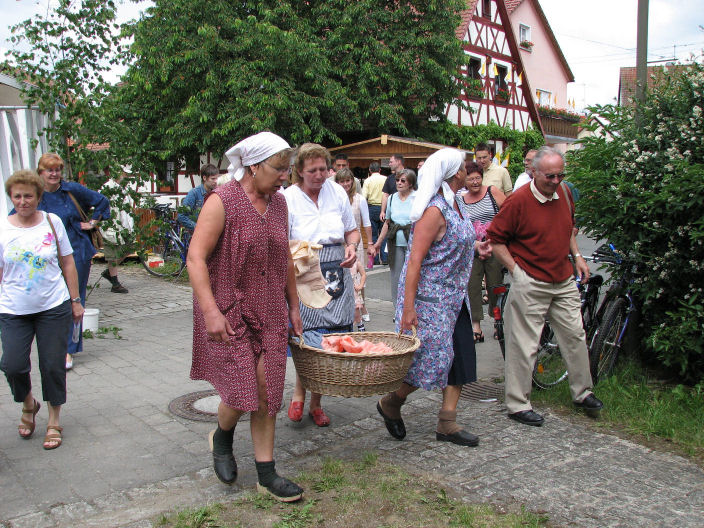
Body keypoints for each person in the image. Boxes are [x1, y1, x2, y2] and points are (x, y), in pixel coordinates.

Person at [188, 131, 304, 501]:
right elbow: (195, 259)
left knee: (268, 390)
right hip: (230, 308)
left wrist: (294, 305)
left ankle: (266, 474)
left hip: (269, 309)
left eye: (288, 169)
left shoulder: (280, 204)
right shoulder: (222, 201)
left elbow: (284, 256)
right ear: (254, 166)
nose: (285, 176)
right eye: (279, 168)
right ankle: (222, 436)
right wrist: (210, 312)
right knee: (242, 392)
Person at [376, 148, 490, 447]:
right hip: (429, 300)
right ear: (455, 174)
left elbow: (455, 241)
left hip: (454, 297)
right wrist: (408, 308)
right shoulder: (434, 211)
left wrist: (476, 247)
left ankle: (447, 422)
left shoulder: (456, 204)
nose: (469, 171)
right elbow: (414, 261)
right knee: (428, 361)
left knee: (461, 356)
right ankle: (392, 402)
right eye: (464, 168)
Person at [487, 146, 603, 427]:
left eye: (560, 175)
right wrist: (517, 272)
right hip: (531, 280)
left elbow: (567, 229)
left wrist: (577, 257)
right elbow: (495, 239)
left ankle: (582, 392)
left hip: (562, 279)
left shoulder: (563, 193)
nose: (555, 181)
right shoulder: (518, 201)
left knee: (575, 335)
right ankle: (517, 404)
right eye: (550, 176)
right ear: (534, 172)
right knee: (524, 344)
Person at [0, 170, 84, 450]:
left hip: (52, 306)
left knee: (52, 366)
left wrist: (75, 300)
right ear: (11, 197)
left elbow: (68, 262)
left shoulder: (52, 222)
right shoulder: (3, 227)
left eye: (29, 196)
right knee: (11, 365)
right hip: (12, 309)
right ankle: (28, 404)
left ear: (38, 197)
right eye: (18, 196)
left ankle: (53, 420)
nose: (23, 201)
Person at [284, 143, 359, 427]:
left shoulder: (337, 192)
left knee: (331, 340)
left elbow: (351, 231)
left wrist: (351, 247)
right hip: (304, 272)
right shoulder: (288, 198)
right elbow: (281, 241)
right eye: (312, 170)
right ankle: (299, 390)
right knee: (306, 336)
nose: (319, 175)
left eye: (323, 169)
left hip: (337, 269)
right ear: (299, 171)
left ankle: (316, 402)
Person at [36, 153, 110, 370]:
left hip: (76, 251)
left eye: (57, 169)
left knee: (74, 299)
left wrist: (92, 222)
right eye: (49, 170)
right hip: (47, 255)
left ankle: (68, 349)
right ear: (40, 172)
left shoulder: (71, 190)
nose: (54, 174)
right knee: (49, 300)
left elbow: (102, 201)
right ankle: (52, 344)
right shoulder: (35, 193)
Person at [457, 161, 506, 342]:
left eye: (478, 178)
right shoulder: (460, 199)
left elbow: (508, 211)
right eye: (471, 179)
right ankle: (476, 326)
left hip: (494, 246)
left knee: (495, 285)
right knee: (472, 286)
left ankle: (497, 323)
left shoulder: (492, 192)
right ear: (465, 181)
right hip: (472, 249)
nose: (475, 182)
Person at [368, 168, 416, 310]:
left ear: (411, 183)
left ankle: (412, 306)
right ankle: (398, 308)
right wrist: (378, 243)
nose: (399, 183)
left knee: (412, 275)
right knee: (396, 276)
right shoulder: (391, 198)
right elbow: (387, 223)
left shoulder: (417, 198)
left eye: (403, 181)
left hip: (413, 241)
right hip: (395, 241)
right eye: (397, 180)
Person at [335, 168, 372, 321]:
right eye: (342, 181)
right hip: (339, 242)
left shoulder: (359, 199)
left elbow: (367, 222)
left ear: (352, 181)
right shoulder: (334, 198)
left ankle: (362, 306)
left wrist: (370, 243)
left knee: (358, 275)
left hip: (355, 242)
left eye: (348, 180)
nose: (345, 184)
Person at [99, 172, 136, 294]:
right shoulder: (107, 188)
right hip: (111, 226)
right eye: (125, 175)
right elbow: (100, 207)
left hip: (124, 227)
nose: (127, 177)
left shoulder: (124, 189)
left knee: (130, 247)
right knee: (112, 254)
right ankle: (115, 283)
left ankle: (109, 273)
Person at [177, 164, 220, 231]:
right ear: (204, 178)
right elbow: (181, 216)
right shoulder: (194, 193)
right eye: (213, 179)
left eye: (217, 178)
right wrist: (198, 228)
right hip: (196, 235)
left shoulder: (217, 193)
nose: (215, 181)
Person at [361, 162, 386, 266]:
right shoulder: (385, 179)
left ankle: (374, 259)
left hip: (371, 207)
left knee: (373, 234)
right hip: (384, 207)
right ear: (380, 170)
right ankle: (385, 258)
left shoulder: (367, 181)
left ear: (370, 171)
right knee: (384, 234)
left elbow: (363, 196)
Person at [351, 258, 367, 332]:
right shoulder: (340, 260)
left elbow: (363, 274)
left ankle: (360, 326)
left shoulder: (356, 262)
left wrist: (360, 286)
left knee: (356, 310)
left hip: (353, 290)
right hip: (343, 291)